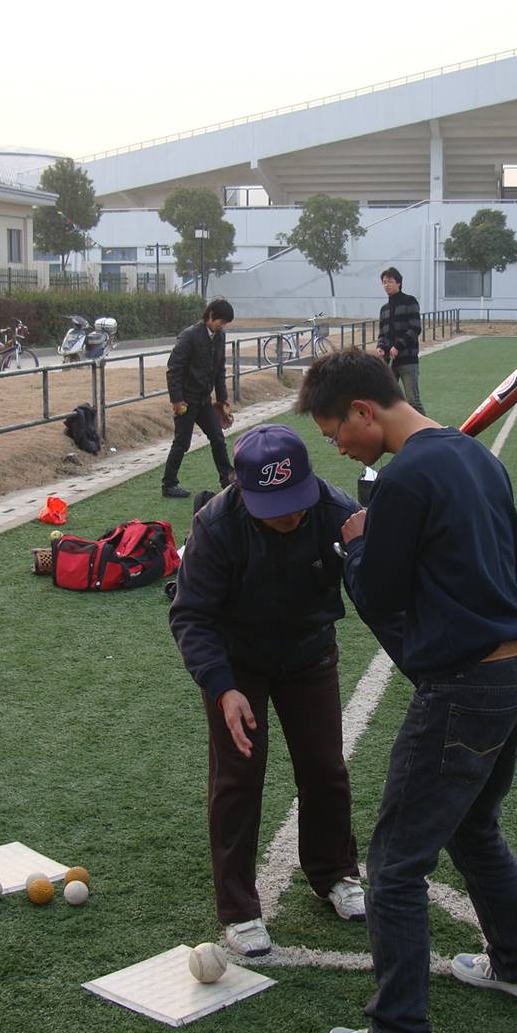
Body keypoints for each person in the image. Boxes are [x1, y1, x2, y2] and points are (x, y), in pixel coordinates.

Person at [298, 350, 517, 1033]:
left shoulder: (407, 478)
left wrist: (356, 543)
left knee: (395, 864)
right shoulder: (474, 458)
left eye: (335, 432)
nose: (337, 446)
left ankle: (396, 1031)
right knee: (472, 828)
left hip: (465, 687)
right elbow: (501, 559)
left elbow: (379, 595)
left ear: (362, 410)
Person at [168, 423, 378, 958]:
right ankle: (238, 909)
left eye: (297, 501)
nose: (291, 515)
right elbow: (192, 615)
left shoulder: (337, 512)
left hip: (310, 653)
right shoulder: (216, 525)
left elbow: (378, 590)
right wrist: (221, 688)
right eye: (275, 505)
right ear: (243, 491)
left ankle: (334, 872)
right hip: (238, 664)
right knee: (237, 778)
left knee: (325, 767)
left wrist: (364, 553)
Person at [163, 298, 237, 498]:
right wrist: (177, 400)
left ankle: (227, 479)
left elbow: (219, 369)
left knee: (218, 438)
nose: (222, 326)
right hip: (186, 400)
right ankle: (169, 484)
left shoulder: (220, 336)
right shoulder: (189, 336)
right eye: (221, 321)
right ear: (211, 315)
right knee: (182, 442)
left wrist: (222, 400)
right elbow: (173, 370)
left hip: (204, 400)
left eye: (225, 323)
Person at [375, 267, 425, 415]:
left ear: (399, 283)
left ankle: (428, 433)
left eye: (390, 281)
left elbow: (415, 328)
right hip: (388, 361)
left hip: (408, 361)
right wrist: (380, 346)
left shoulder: (410, 301)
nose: (386, 285)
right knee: (386, 399)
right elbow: (382, 333)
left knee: (413, 401)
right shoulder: (384, 309)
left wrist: (398, 346)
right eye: (384, 282)